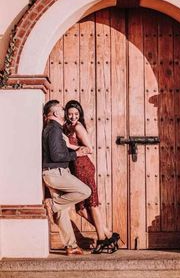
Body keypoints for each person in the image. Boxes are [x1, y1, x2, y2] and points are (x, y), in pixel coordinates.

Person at [63, 100, 120, 254]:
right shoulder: (67, 126)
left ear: (80, 114)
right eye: (70, 113)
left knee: (92, 205)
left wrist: (69, 145)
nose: (73, 116)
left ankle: (102, 238)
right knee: (81, 210)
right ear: (66, 114)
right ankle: (108, 234)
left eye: (76, 113)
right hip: (76, 169)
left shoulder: (78, 127)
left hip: (84, 167)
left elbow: (89, 149)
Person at [42, 99, 92, 256]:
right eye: (62, 109)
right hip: (56, 173)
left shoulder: (52, 129)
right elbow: (57, 155)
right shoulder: (54, 129)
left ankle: (71, 246)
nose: (64, 111)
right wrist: (76, 154)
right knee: (85, 191)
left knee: (62, 212)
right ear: (56, 113)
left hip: (53, 173)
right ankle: (53, 205)